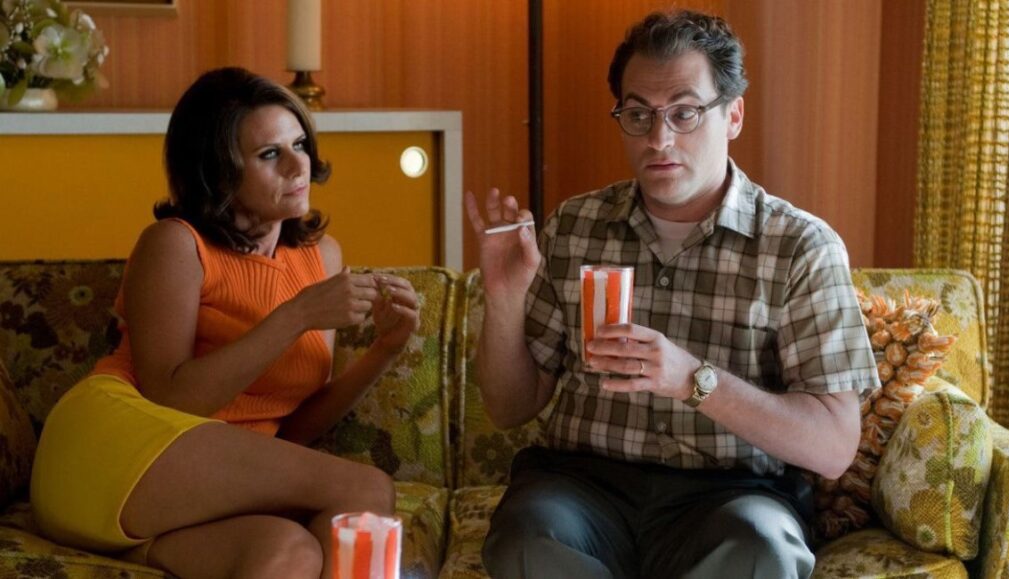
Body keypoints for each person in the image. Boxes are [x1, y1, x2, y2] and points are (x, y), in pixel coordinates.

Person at [463, 10, 880, 579]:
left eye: (684, 113)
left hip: (732, 495)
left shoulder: (799, 247)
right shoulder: (575, 226)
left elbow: (833, 446)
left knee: (764, 549)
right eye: (639, 114)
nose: (659, 139)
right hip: (582, 489)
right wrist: (504, 297)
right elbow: (510, 407)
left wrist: (692, 379)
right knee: (524, 540)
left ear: (733, 116)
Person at [30, 67, 420, 579]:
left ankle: (143, 548)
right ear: (217, 171)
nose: (298, 166)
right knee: (366, 489)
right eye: (269, 154)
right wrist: (298, 314)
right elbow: (171, 398)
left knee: (287, 551)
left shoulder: (321, 256)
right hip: (111, 449)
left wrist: (384, 349)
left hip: (190, 488)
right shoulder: (175, 244)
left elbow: (290, 427)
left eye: (299, 144)